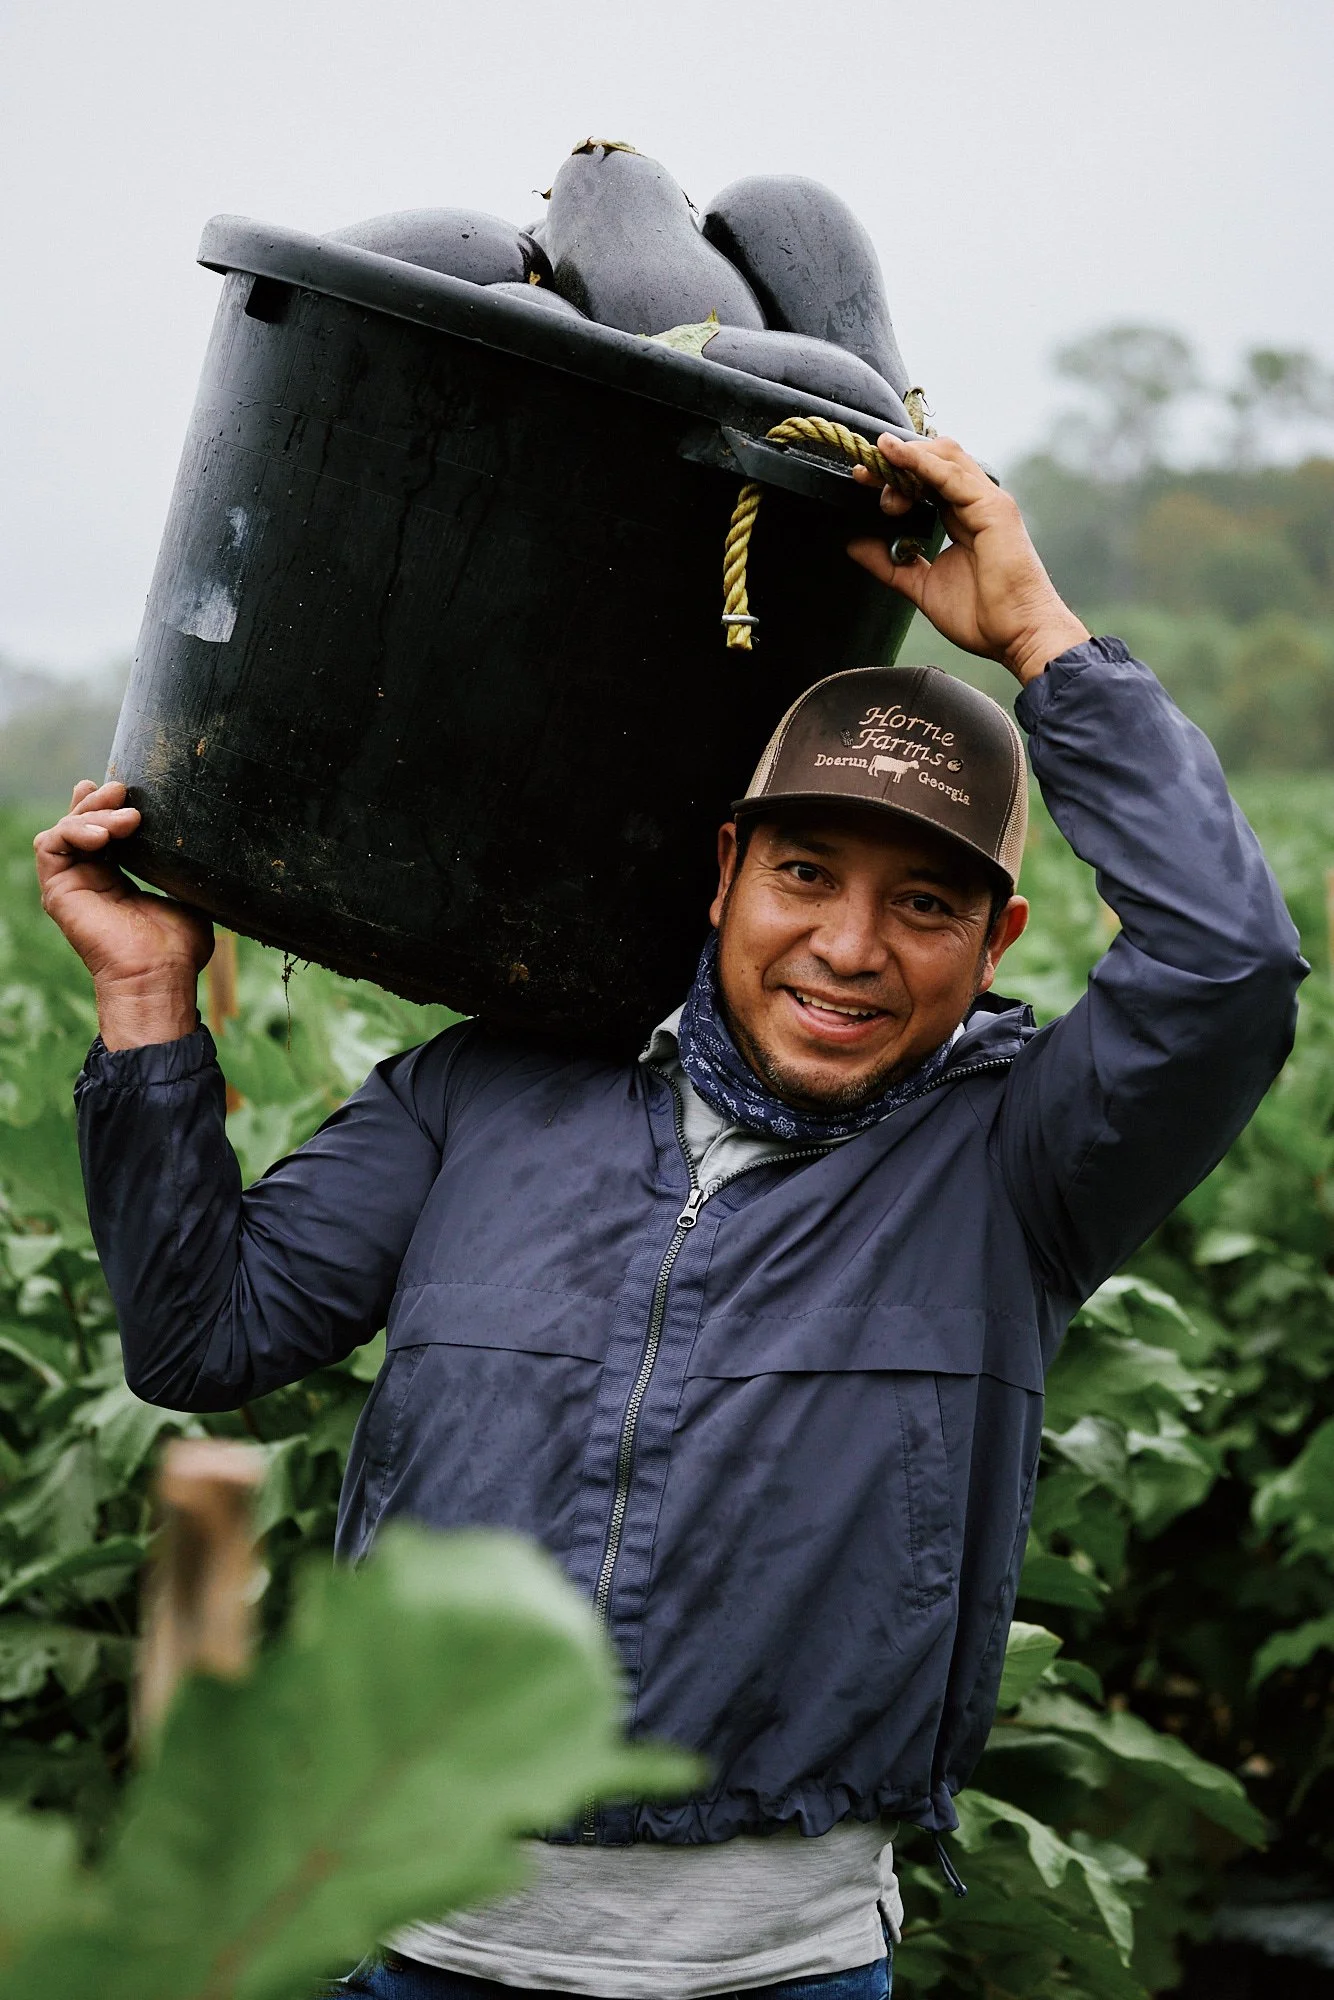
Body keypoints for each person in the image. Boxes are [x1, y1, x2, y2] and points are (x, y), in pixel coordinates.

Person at [37, 436, 1305, 2000]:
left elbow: (1226, 969)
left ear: (996, 945)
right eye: (805, 873)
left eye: (924, 904)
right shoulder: (484, 1092)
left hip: (780, 1969)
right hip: (419, 1942)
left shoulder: (1018, 1163)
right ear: (725, 874)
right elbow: (200, 1335)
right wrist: (147, 996)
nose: (849, 946)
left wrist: (1039, 634)